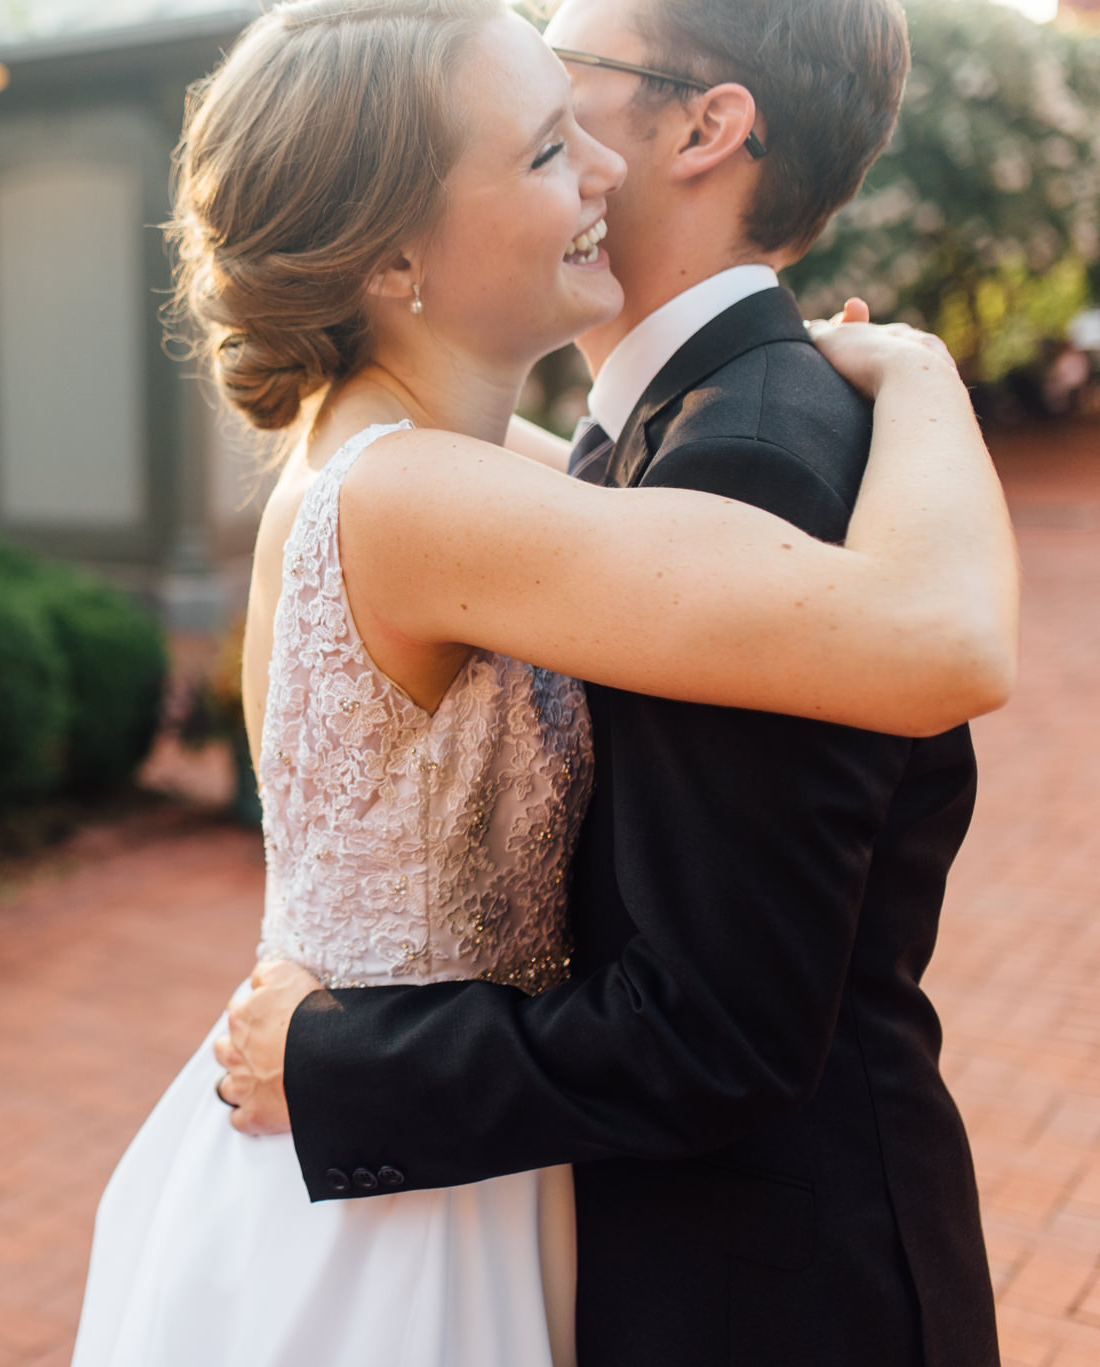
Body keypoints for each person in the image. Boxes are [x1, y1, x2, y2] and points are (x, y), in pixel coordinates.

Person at [80, 1, 1018, 1364]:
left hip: (451, 1161)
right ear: (394, 256)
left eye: (577, 103)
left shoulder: (486, 464)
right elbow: (950, 639)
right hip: (392, 1206)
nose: (591, 165)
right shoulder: (421, 498)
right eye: (538, 147)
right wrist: (925, 378)